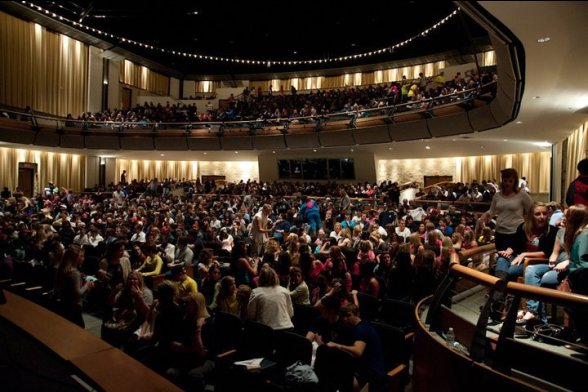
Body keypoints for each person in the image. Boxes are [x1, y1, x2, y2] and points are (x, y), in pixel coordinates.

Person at [326, 303, 386, 391]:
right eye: (344, 316)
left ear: (357, 314)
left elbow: (358, 352)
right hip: (363, 366)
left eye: (348, 316)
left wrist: (337, 345)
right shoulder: (359, 325)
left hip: (372, 374)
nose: (345, 319)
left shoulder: (361, 329)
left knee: (337, 376)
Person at [495, 202, 557, 284]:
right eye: (538, 214)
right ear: (531, 216)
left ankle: (498, 292)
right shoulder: (523, 227)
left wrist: (524, 254)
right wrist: (508, 251)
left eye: (544, 214)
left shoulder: (552, 231)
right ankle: (498, 292)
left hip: (535, 261)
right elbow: (514, 244)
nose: (542, 217)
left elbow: (546, 253)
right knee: (502, 260)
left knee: (511, 270)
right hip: (519, 257)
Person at [481, 168, 534, 254]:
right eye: (505, 181)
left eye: (510, 181)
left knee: (509, 259)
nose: (507, 183)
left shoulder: (522, 195)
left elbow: (532, 210)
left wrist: (528, 226)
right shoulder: (497, 195)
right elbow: (492, 210)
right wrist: (485, 215)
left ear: (515, 181)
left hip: (515, 233)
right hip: (499, 232)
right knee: (501, 257)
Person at [53, 244, 94, 327]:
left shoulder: (63, 269)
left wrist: (79, 278)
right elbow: (78, 293)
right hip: (74, 306)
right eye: (81, 256)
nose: (83, 258)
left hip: (64, 303)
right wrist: (87, 285)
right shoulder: (74, 273)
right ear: (75, 258)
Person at [247, 266, 294, 330]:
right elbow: (290, 313)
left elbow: (251, 315)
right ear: (275, 277)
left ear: (260, 278)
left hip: (265, 330)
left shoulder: (255, 292)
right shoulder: (284, 290)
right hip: (286, 329)